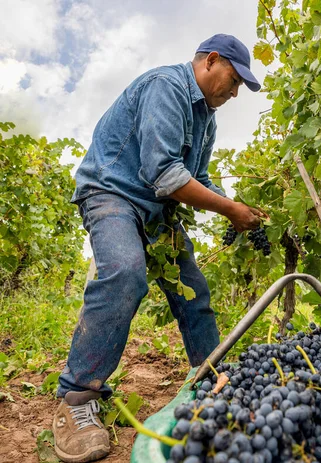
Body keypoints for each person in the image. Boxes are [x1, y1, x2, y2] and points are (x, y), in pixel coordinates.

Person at [52, 34, 264, 463]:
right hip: (112, 194)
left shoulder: (206, 116)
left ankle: (210, 379)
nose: (236, 91)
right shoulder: (167, 86)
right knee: (125, 273)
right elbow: (166, 175)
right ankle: (76, 398)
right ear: (211, 60)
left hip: (154, 209)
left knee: (193, 290)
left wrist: (237, 203)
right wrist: (230, 211)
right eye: (235, 79)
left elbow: (196, 177)